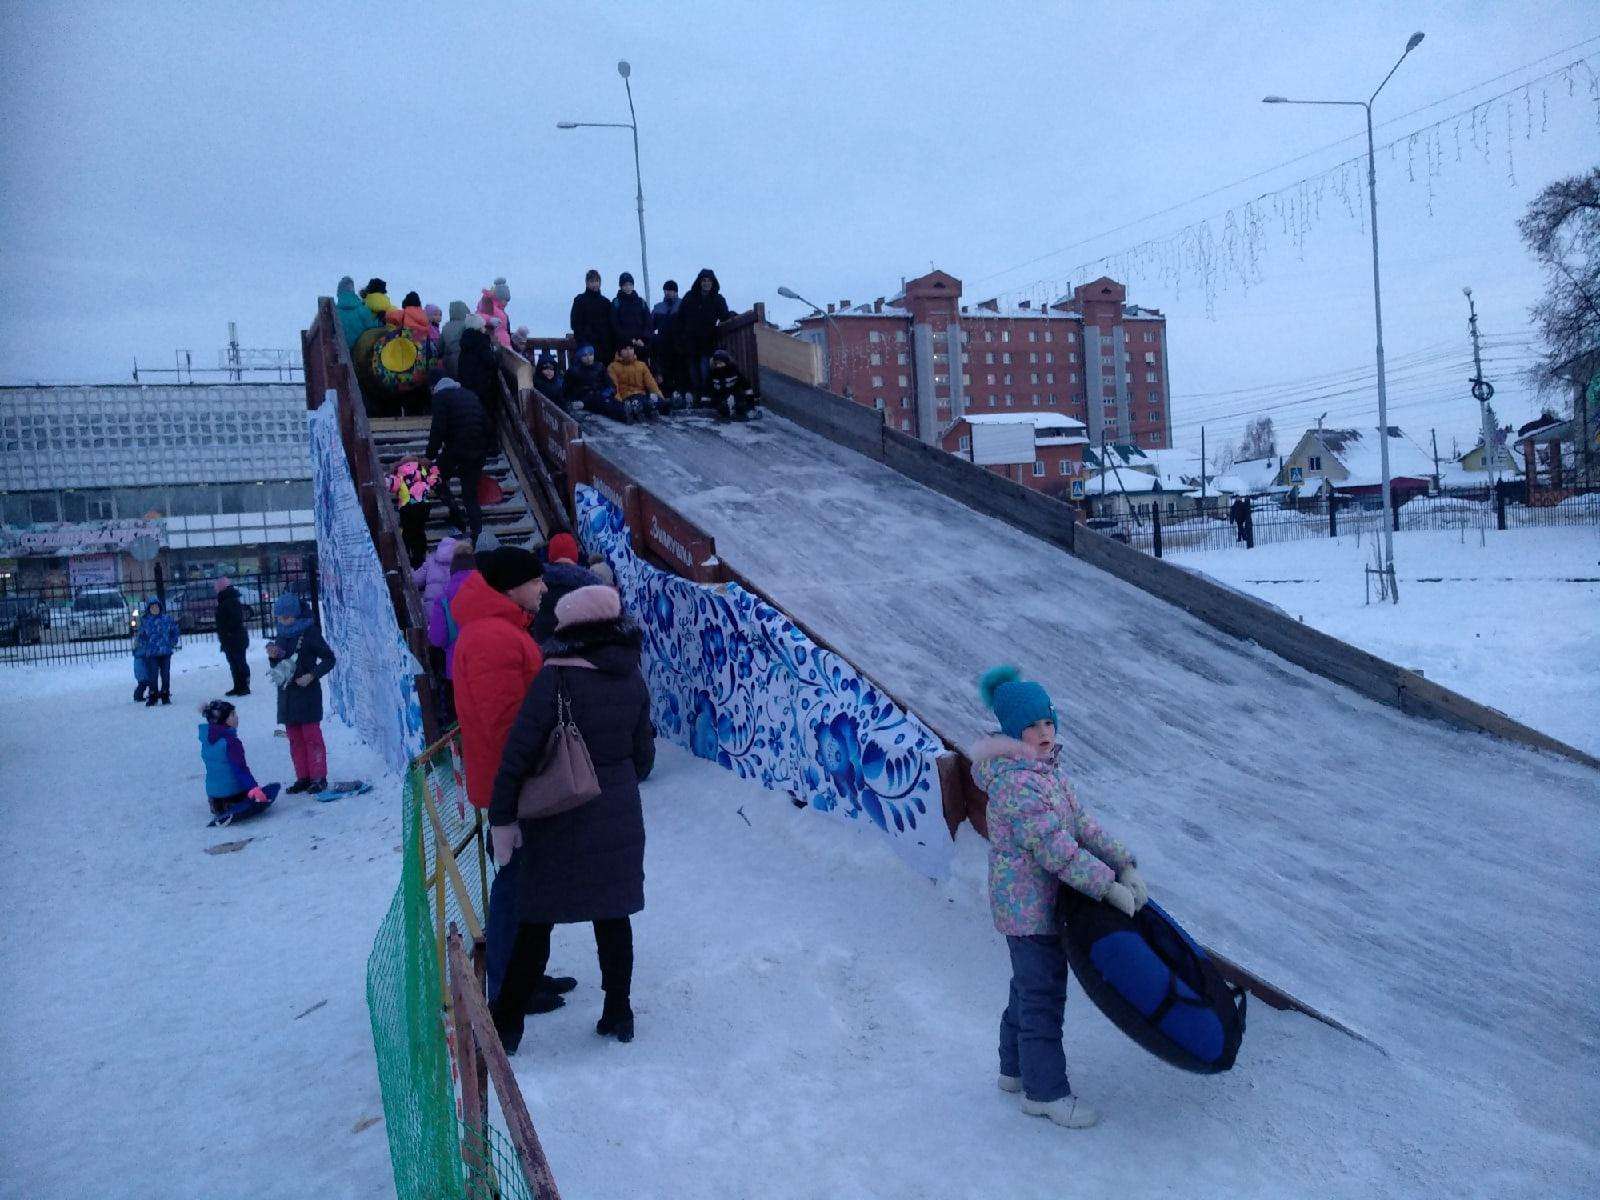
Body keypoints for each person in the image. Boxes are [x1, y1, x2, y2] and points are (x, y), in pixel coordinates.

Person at [971, 665, 1146, 1131]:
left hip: (1039, 906)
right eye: (1031, 726)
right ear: (1013, 732)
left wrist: (1124, 864)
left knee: (1026, 988)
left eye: (1048, 722)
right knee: (1043, 996)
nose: (1044, 732)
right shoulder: (1015, 785)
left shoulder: (1047, 774)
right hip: (1029, 911)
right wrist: (1104, 886)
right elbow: (1056, 848)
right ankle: (1044, 1093)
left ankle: (1013, 1069)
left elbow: (1084, 828)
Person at [489, 584, 655, 1053]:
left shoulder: (555, 678)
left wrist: (502, 816)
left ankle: (507, 1028)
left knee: (535, 919)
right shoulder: (631, 675)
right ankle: (618, 1013)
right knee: (613, 915)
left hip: (558, 814)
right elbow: (643, 753)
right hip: (617, 811)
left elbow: (518, 754)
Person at [450, 547, 577, 1011]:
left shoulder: (501, 630)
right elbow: (505, 722)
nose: (544, 588)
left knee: (528, 883)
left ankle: (523, 974)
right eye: (535, 580)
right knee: (515, 885)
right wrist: (533, 773)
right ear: (510, 587)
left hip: (517, 781)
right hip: (517, 785)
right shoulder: (492, 638)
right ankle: (505, 984)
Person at [267, 593, 336, 794]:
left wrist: (312, 675)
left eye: (287, 617)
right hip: (287, 695)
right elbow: (280, 664)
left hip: (307, 695)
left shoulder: (310, 632)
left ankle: (318, 777)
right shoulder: (281, 634)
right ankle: (303, 777)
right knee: (295, 739)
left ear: (296, 615)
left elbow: (329, 659)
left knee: (311, 737)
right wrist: (273, 657)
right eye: (280, 618)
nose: (283, 622)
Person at [426, 377, 493, 544]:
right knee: (470, 494)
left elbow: (438, 428)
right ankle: (478, 535)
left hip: (457, 450)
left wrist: (430, 455)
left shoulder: (440, 398)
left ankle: (456, 514)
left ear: (435, 387)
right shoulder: (470, 394)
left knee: (435, 478)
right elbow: (486, 422)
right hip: (477, 450)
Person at [198, 699, 273, 819]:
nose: (237, 717)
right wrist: (254, 788)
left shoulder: (207, 740)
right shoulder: (231, 742)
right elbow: (240, 769)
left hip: (214, 798)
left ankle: (219, 806)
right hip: (232, 796)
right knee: (240, 784)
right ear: (223, 720)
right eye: (233, 714)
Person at [674, 267, 731, 401]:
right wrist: (681, 337)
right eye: (704, 280)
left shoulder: (717, 299)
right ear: (699, 282)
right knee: (693, 369)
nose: (706, 283)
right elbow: (680, 318)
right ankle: (696, 395)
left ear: (713, 283)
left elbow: (725, 316)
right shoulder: (690, 297)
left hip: (707, 340)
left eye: (709, 281)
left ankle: (706, 394)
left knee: (705, 368)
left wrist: (734, 316)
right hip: (690, 341)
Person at [426, 541, 475, 681]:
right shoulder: (489, 594)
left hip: (457, 668)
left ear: (452, 571)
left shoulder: (443, 601)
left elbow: (436, 639)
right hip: (486, 666)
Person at [389, 456, 439, 569]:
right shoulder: (423, 470)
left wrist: (387, 479)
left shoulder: (400, 471)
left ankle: (406, 557)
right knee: (419, 531)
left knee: (407, 532)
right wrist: (433, 468)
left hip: (407, 507)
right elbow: (434, 481)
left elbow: (393, 485)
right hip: (424, 507)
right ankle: (420, 558)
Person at [133, 597, 180, 706]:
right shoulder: (146, 621)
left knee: (165, 674)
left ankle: (165, 694)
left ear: (160, 607)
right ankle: (153, 695)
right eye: (152, 607)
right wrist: (146, 645)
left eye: (157, 606)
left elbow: (174, 631)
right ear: (149, 609)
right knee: (152, 675)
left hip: (165, 652)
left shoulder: (166, 619)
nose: (155, 609)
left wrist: (172, 642)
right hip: (152, 653)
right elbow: (141, 637)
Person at [456, 323, 502, 427]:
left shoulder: (464, 343)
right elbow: (490, 362)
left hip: (467, 385)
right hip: (482, 385)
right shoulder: (482, 342)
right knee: (484, 413)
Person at [605, 343, 665, 421]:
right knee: (637, 404)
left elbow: (651, 384)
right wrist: (619, 403)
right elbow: (614, 388)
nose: (629, 351)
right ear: (619, 351)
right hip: (626, 397)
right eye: (625, 349)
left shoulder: (641, 365)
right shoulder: (613, 367)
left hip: (641, 395)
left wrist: (660, 397)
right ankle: (641, 410)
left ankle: (654, 407)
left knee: (658, 401)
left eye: (631, 348)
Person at [570, 268, 617, 364]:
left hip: (605, 348)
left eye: (597, 281)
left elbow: (612, 324)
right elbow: (575, 324)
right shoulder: (580, 300)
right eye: (592, 281)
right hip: (587, 348)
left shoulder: (606, 303)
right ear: (587, 283)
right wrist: (583, 342)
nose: (595, 284)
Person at [214, 577, 251, 696]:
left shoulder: (230, 601)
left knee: (239, 662)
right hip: (229, 638)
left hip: (235, 638)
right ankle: (238, 686)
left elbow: (235, 619)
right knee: (234, 664)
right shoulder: (226, 600)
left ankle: (244, 686)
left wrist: (227, 631)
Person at [649, 279, 684, 399]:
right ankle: (666, 396)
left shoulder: (683, 305)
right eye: (666, 290)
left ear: (676, 292)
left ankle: (680, 395)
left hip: (679, 345)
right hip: (663, 346)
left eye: (671, 290)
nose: (668, 293)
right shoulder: (658, 308)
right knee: (664, 371)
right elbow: (650, 325)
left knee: (679, 371)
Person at [704, 348, 760, 421]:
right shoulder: (712, 375)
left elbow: (747, 387)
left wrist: (750, 405)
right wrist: (706, 407)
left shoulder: (734, 372)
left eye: (721, 363)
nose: (719, 365)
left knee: (740, 407)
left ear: (726, 362)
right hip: (719, 399)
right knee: (720, 409)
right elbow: (707, 391)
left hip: (735, 398)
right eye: (717, 363)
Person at [413, 535, 461, 614]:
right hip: (453, 612)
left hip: (431, 610)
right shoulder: (460, 564)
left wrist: (411, 572)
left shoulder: (430, 561)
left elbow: (416, 580)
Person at [561, 345, 614, 415]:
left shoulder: (599, 367)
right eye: (585, 356)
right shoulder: (573, 372)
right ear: (579, 357)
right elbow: (567, 390)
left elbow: (610, 385)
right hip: (581, 401)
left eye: (591, 355)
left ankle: (628, 411)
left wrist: (604, 394)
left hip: (600, 397)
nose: (589, 358)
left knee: (608, 403)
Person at [334, 275, 379, 349]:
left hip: (341, 353)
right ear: (352, 291)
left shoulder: (334, 313)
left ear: (339, 293)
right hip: (359, 353)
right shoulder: (362, 310)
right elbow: (373, 327)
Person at [612, 272, 651, 355]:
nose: (628, 287)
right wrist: (629, 340)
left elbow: (648, 322)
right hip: (624, 348)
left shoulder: (641, 302)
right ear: (621, 286)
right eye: (625, 285)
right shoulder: (616, 303)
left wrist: (643, 338)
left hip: (641, 345)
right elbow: (615, 325)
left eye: (630, 284)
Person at [440, 300, 472, 377]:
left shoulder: (445, 327)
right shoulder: (466, 325)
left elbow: (440, 346)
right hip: (465, 359)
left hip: (449, 361)